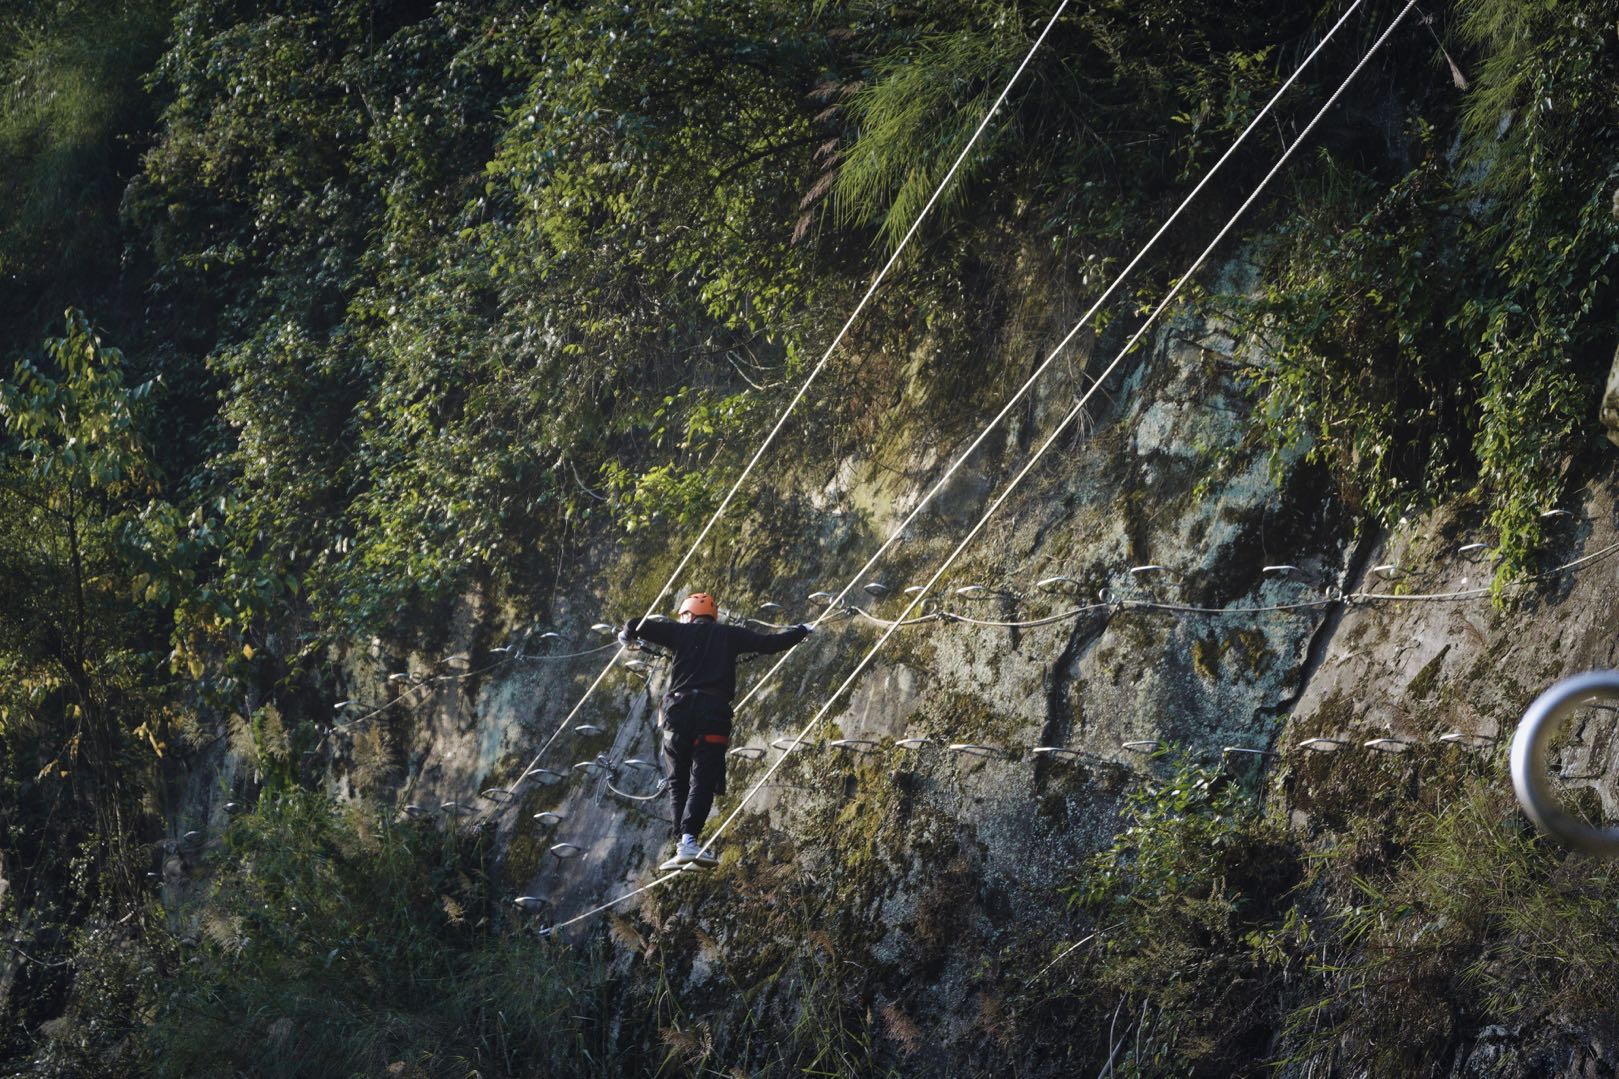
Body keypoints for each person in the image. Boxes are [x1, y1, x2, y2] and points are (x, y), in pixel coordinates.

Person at [620, 592, 812, 870]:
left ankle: (682, 844)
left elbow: (636, 623)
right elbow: (770, 644)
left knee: (678, 781)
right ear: (712, 615)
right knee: (703, 777)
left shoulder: (678, 632)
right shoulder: (729, 634)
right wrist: (801, 630)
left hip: (678, 712)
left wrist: (628, 636)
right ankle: (688, 841)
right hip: (712, 714)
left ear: (687, 615)